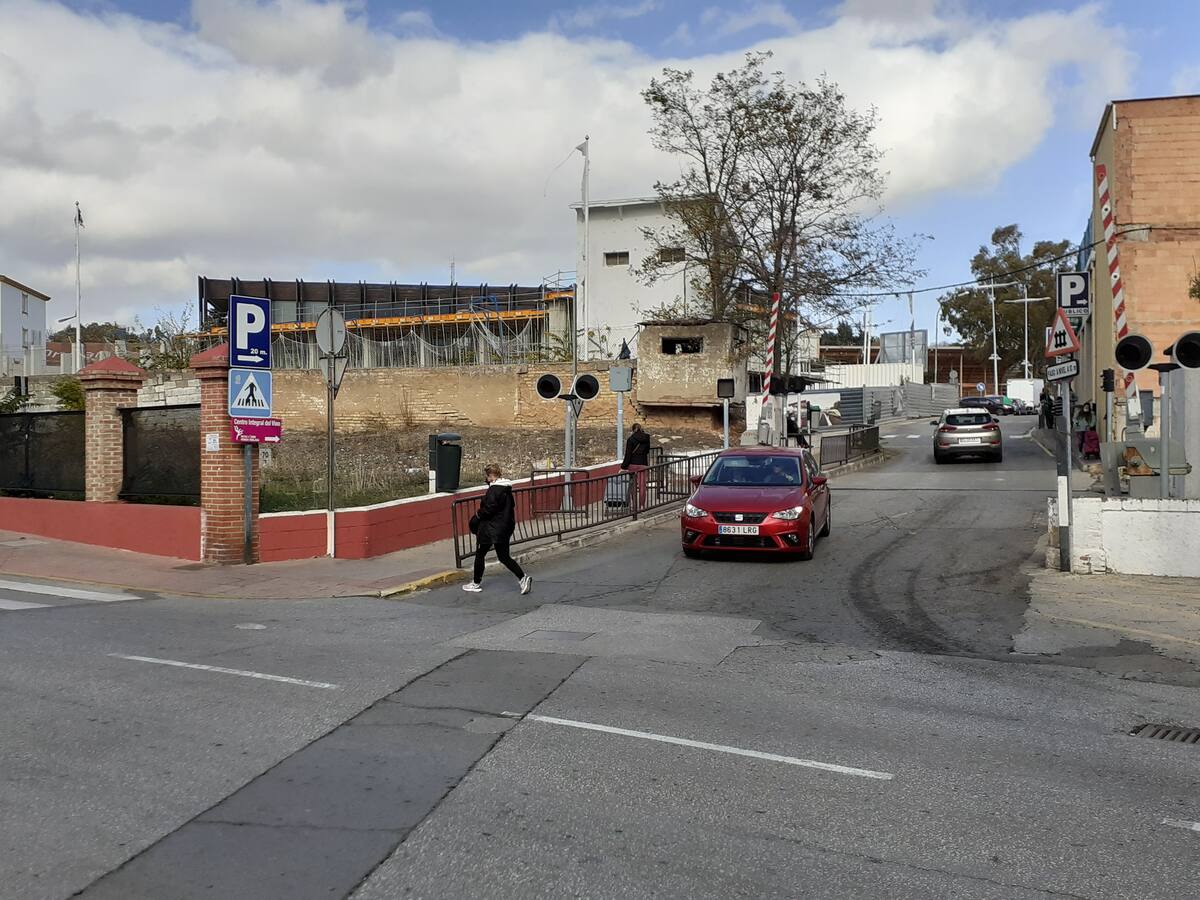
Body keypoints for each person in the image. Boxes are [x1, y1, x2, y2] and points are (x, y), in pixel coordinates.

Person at [463, 464, 531, 595]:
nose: (486, 479)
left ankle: (476, 583)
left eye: (487, 476)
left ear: (490, 476)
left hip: (490, 529)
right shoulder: (506, 489)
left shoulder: (494, 490)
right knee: (504, 556)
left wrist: (477, 516)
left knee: (480, 554)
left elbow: (489, 509)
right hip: (504, 527)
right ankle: (523, 578)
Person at [621, 422, 651, 507]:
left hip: (632, 465)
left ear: (633, 430)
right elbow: (647, 451)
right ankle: (642, 506)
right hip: (643, 464)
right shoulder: (646, 438)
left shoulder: (630, 439)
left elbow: (628, 454)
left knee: (633, 486)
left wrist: (623, 466)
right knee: (642, 486)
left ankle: (634, 506)